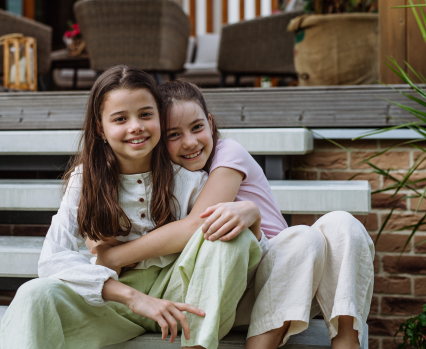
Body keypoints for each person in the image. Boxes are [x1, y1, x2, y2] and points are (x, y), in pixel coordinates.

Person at [90, 79, 375, 349]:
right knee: (302, 238)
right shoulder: (167, 177)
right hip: (230, 290)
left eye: (197, 127)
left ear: (210, 123)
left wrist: (114, 257)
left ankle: (347, 341)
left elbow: (197, 223)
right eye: (173, 135)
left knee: (340, 224)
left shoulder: (227, 152)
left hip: (286, 276)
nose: (190, 142)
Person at [0, 67, 263, 349]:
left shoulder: (189, 178)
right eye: (120, 119)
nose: (135, 126)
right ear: (100, 128)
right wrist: (134, 297)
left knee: (229, 236)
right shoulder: (85, 179)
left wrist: (251, 216)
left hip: (182, 295)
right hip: (115, 301)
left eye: (146, 114)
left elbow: (234, 249)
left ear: (160, 120)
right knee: (33, 294)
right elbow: (52, 258)